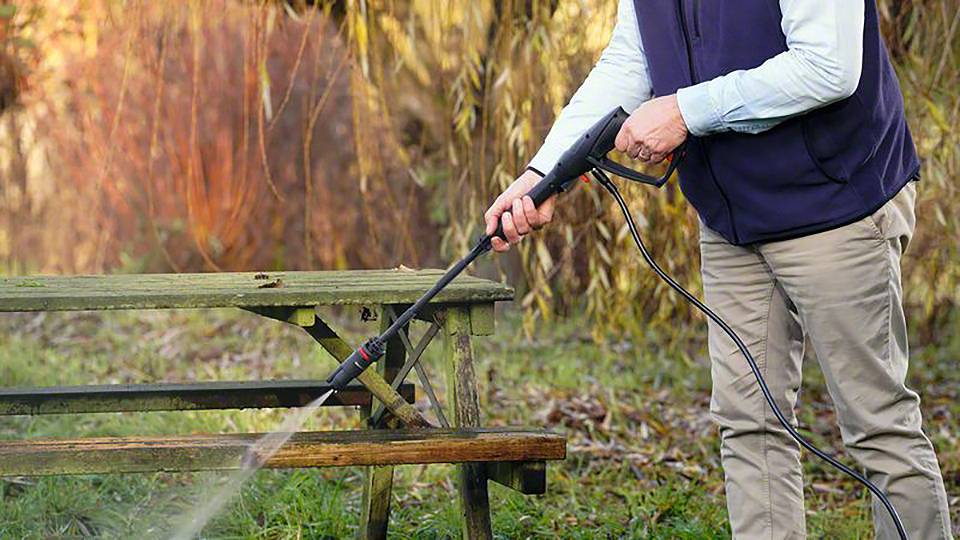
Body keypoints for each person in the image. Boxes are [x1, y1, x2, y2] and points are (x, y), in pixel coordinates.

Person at [483, 1, 952, 538]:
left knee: (878, 426)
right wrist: (544, 174)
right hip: (732, 221)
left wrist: (683, 111)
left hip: (836, 203)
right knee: (749, 424)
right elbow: (631, 61)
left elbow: (828, 66)